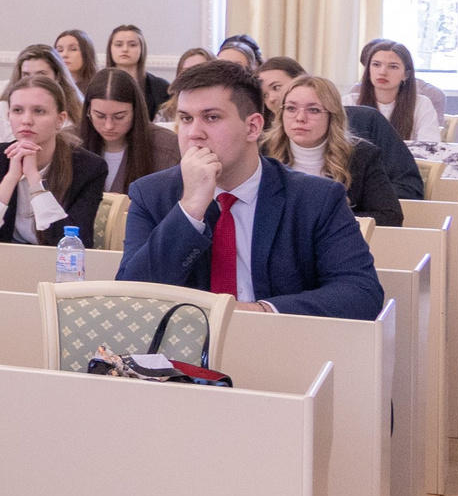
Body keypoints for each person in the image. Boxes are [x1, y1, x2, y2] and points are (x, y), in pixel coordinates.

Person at [118, 60, 383, 319]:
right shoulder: (152, 194)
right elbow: (131, 299)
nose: (193, 133)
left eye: (211, 117)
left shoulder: (315, 199)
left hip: (282, 350)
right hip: (182, 355)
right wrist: (190, 209)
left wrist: (262, 312)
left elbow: (361, 293)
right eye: (186, 118)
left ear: (253, 127)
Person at [0, 74, 105, 246]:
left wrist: (34, 180)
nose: (26, 121)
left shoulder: (89, 167)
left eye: (39, 111)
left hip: (55, 266)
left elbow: (77, 244)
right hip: (2, 262)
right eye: (18, 110)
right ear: (8, 116)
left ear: (60, 120)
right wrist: (11, 179)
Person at [266, 75, 404, 228]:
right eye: (291, 108)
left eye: (313, 110)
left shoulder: (361, 155)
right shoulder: (261, 152)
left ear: (332, 116)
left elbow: (390, 217)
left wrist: (326, 222)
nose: (300, 118)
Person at [78, 68, 179, 195]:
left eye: (119, 117)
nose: (109, 126)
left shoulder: (167, 145)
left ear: (135, 112)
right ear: (88, 111)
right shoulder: (69, 142)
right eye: (100, 116)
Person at [356, 39, 443, 142]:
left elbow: (429, 149)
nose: (382, 72)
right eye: (376, 65)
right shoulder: (350, 102)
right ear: (368, 70)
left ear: (406, 75)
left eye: (393, 67)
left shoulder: (421, 104)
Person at [106, 24, 168, 116]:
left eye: (132, 45)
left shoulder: (160, 87)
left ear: (142, 49)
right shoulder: (98, 85)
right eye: (119, 45)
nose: (125, 49)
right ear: (110, 49)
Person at [157, 48, 211, 122]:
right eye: (187, 71)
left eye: (200, 70)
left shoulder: (220, 108)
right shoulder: (167, 112)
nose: (194, 76)